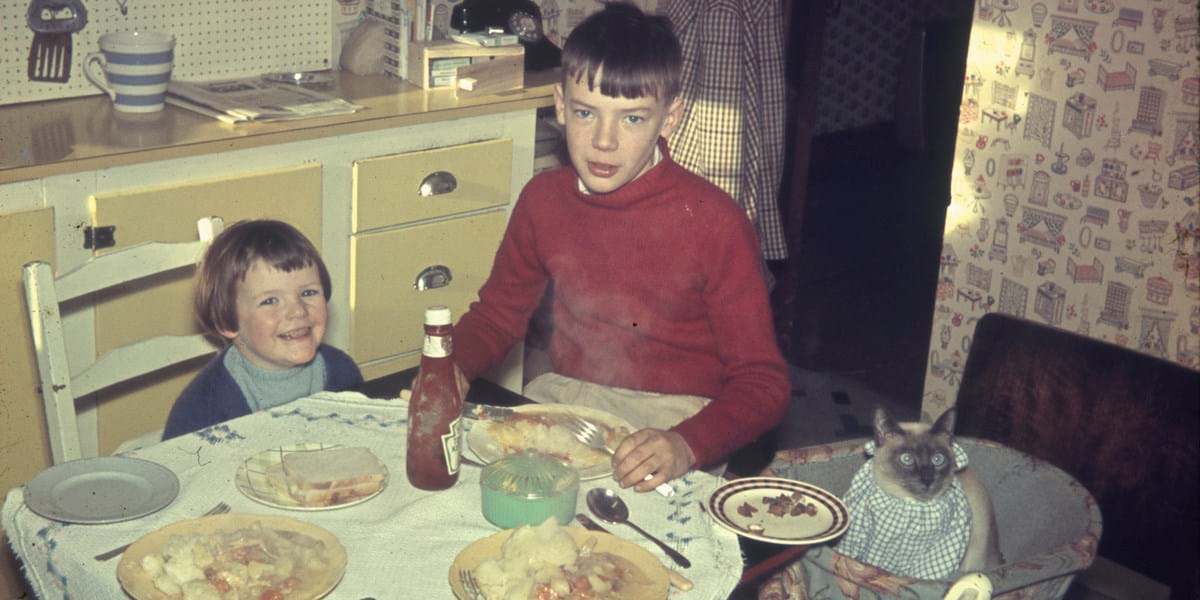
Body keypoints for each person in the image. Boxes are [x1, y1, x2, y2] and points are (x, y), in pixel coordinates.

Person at [452, 2, 790, 493]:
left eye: (632, 119)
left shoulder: (716, 222)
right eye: (587, 113)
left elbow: (764, 382)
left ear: (669, 118)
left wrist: (686, 443)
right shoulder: (541, 200)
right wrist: (452, 369)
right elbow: (496, 317)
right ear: (561, 106)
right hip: (568, 407)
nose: (603, 142)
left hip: (675, 421)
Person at [163, 220, 362, 439]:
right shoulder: (203, 407)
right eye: (270, 301)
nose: (297, 311)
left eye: (308, 293)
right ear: (227, 321)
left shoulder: (342, 372)